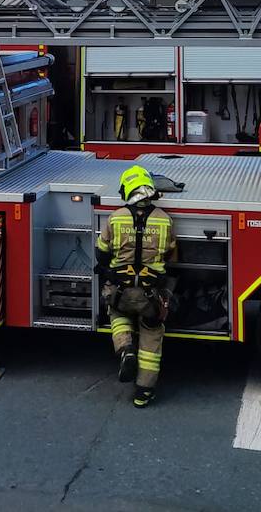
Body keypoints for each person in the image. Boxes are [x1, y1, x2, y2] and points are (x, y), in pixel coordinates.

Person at [94, 164, 177, 407]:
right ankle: (143, 392)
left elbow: (102, 253)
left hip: (120, 291)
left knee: (117, 314)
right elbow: (172, 256)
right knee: (152, 335)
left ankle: (126, 350)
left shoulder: (115, 217)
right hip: (151, 295)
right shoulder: (165, 220)